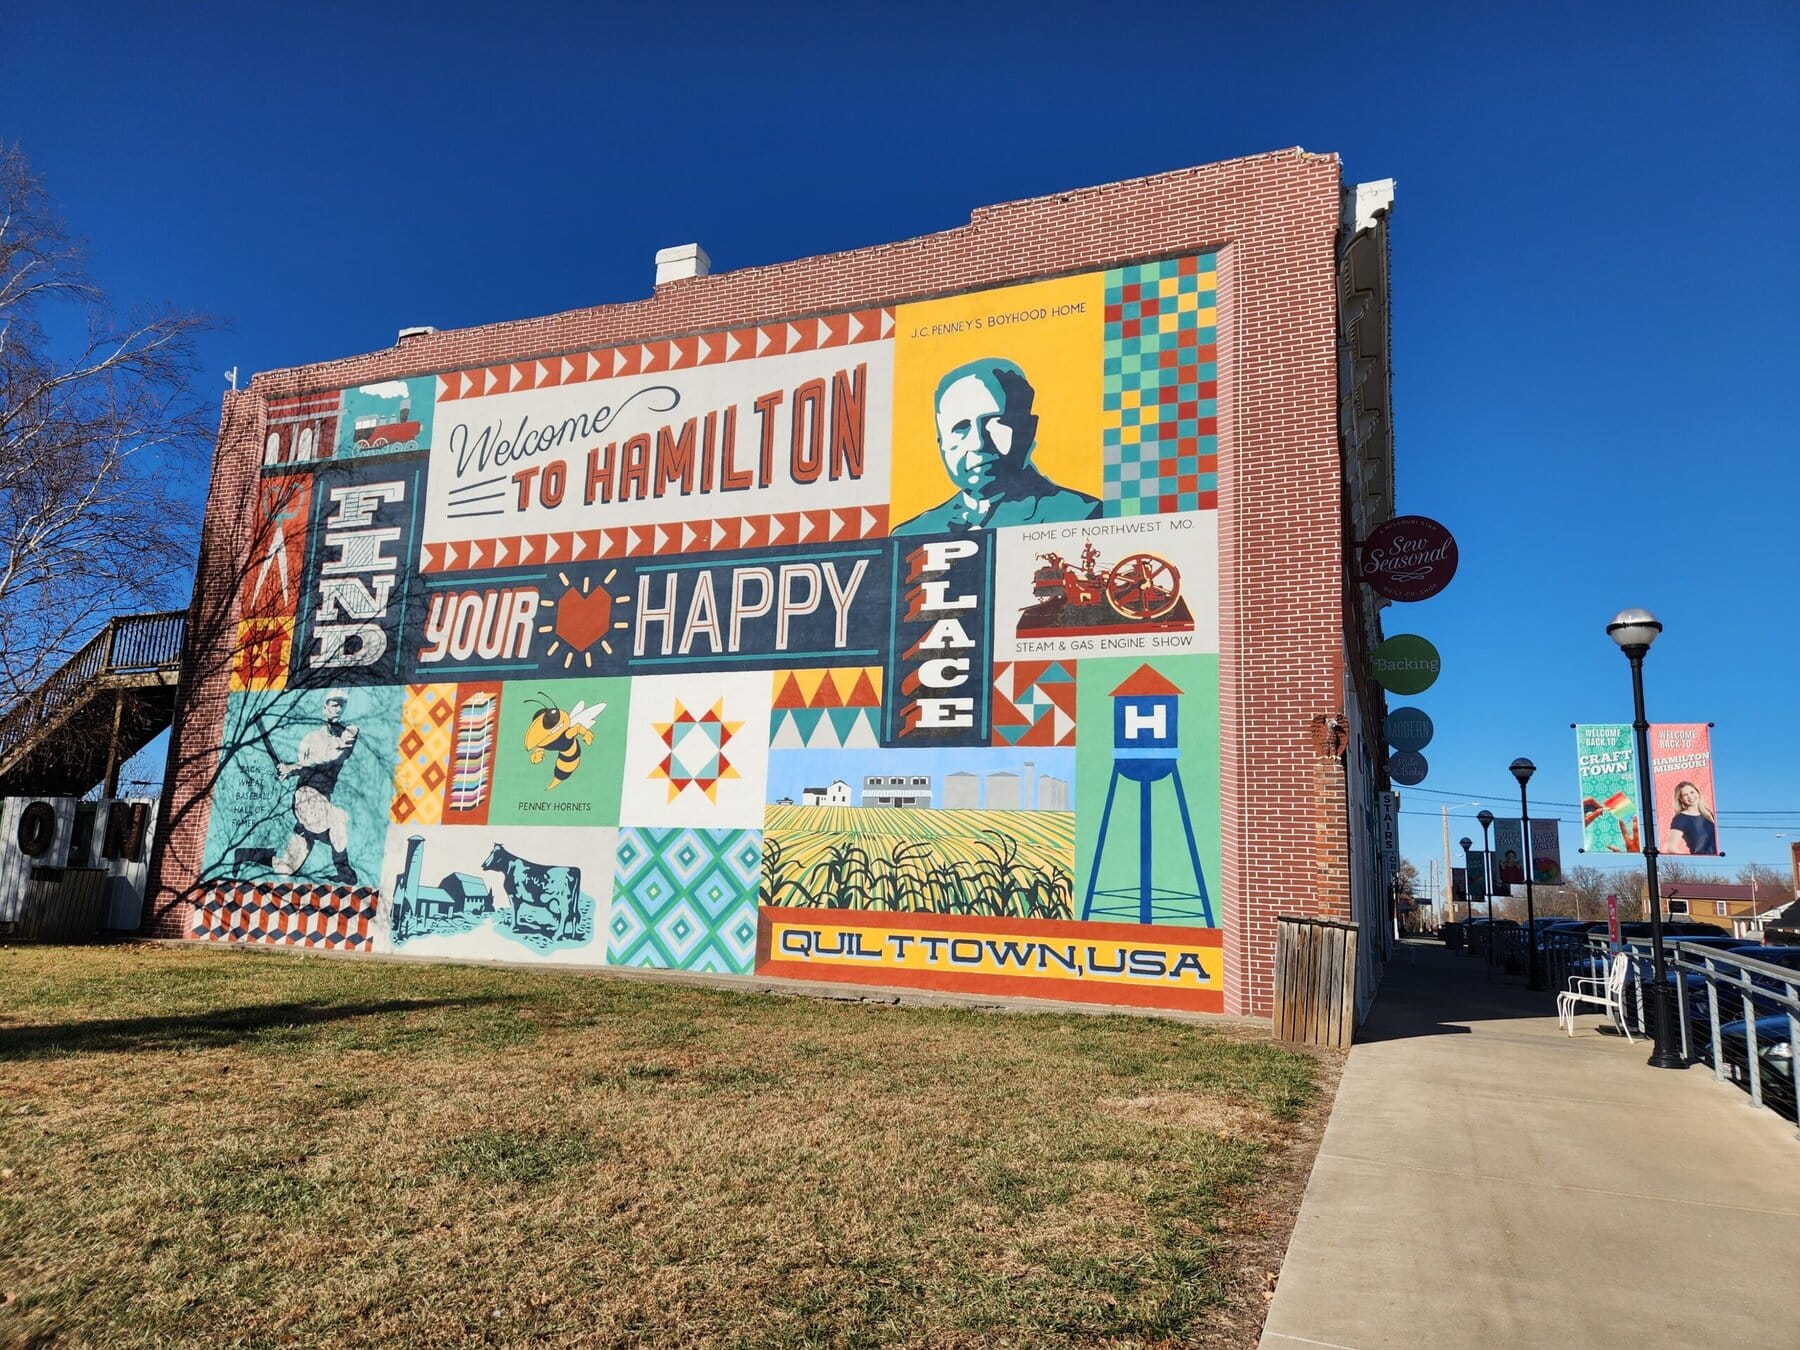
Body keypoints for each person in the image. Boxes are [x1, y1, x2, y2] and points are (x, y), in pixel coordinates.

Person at [891, 358, 1101, 534]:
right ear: (941, 444)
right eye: (960, 428)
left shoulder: (1083, 516)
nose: (977, 442)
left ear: (1028, 429)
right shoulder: (911, 534)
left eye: (995, 421)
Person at [235, 689, 362, 883]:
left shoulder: (348, 733)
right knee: (339, 819)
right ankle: (343, 870)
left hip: (321, 800)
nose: (338, 708)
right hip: (306, 796)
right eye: (334, 704)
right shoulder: (311, 738)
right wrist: (286, 770)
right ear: (324, 708)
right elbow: (304, 766)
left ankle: (247, 854)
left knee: (286, 869)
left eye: (341, 705)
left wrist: (291, 768)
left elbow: (327, 758)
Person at [1665, 780, 1718, 855]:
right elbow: (1671, 847)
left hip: (1717, 858)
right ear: (1681, 799)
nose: (1690, 796)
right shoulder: (1681, 818)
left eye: (1692, 792)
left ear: (1698, 793)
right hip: (1702, 860)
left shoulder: (1707, 813)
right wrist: (1691, 860)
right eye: (1685, 795)